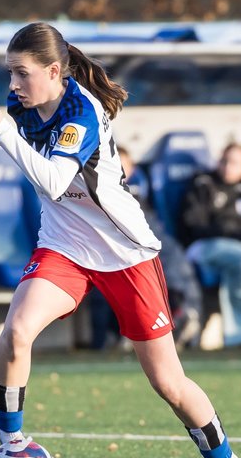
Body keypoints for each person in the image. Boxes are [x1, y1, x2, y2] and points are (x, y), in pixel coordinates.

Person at [0, 22, 241, 458]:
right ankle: (12, 445)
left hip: (124, 254)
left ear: (53, 71)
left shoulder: (81, 111)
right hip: (63, 248)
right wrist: (9, 127)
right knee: (16, 331)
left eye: (21, 73)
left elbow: (55, 181)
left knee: (168, 382)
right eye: (9, 73)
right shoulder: (24, 105)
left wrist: (3, 132)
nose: (12, 85)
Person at [86, 147, 203, 349]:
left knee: (177, 265)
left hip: (147, 244)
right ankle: (109, 339)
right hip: (108, 249)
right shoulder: (95, 191)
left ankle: (183, 323)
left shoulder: (137, 198)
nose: (120, 169)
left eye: (124, 165)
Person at [176, 142, 241, 246]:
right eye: (224, 161)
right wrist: (226, 232)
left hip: (237, 246)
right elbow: (194, 227)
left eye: (234, 163)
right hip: (205, 245)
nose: (227, 167)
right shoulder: (204, 185)